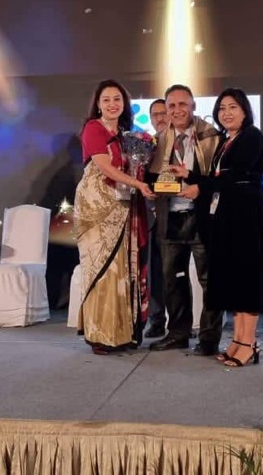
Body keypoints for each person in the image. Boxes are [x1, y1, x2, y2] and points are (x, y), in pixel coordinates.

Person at [171, 88, 263, 367]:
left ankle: (248, 343)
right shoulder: (227, 140)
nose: (226, 113)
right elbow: (217, 177)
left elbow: (234, 176)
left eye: (233, 107)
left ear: (245, 111)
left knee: (248, 279)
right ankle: (238, 340)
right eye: (222, 108)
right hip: (230, 217)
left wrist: (198, 187)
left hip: (247, 216)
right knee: (237, 280)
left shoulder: (252, 136)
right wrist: (189, 175)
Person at [74, 79, 156, 355]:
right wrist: (139, 185)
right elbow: (106, 168)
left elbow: (133, 168)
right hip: (97, 206)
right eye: (106, 99)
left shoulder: (127, 136)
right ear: (98, 104)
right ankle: (100, 334)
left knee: (122, 268)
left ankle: (122, 332)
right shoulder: (93, 128)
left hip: (123, 205)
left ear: (124, 104)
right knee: (102, 267)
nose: (112, 104)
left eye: (117, 99)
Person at [146, 84, 223, 355]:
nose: (177, 110)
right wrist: (151, 186)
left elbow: (219, 178)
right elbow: (151, 177)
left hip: (203, 216)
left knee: (209, 280)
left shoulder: (211, 136)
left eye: (182, 104)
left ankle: (209, 338)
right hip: (170, 216)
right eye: (171, 106)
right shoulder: (157, 141)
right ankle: (178, 333)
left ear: (193, 106)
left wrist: (198, 187)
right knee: (173, 280)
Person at [144, 98, 169, 338]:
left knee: (177, 272)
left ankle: (182, 322)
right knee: (154, 273)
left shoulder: (182, 143)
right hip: (152, 216)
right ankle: (157, 320)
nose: (160, 118)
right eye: (155, 115)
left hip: (178, 214)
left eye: (163, 113)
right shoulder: (145, 145)